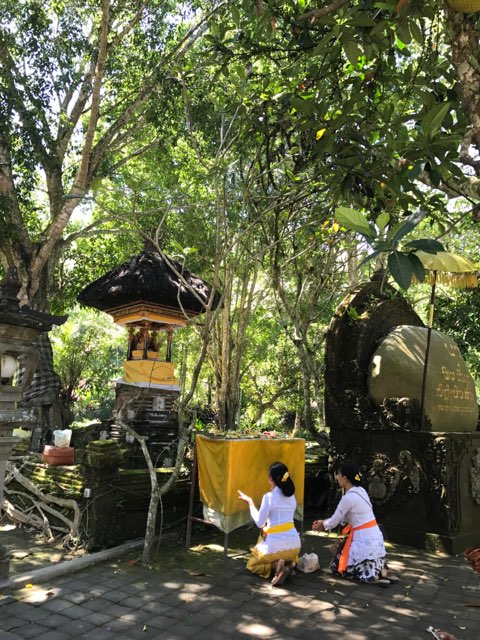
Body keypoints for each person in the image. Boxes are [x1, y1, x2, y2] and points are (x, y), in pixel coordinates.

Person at [312, 462, 396, 586]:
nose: (337, 477)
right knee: (342, 556)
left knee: (338, 566)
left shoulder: (348, 498)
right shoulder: (361, 490)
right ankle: (381, 570)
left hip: (363, 538)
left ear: (345, 478)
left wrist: (322, 524)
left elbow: (334, 521)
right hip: (375, 536)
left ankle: (372, 575)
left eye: (338, 474)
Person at [238, 461, 301, 586]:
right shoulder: (292, 497)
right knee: (287, 553)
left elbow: (260, 523)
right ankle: (290, 564)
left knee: (252, 564)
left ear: (270, 478)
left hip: (274, 547)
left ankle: (276, 565)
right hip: (295, 547)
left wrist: (250, 503)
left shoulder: (269, 497)